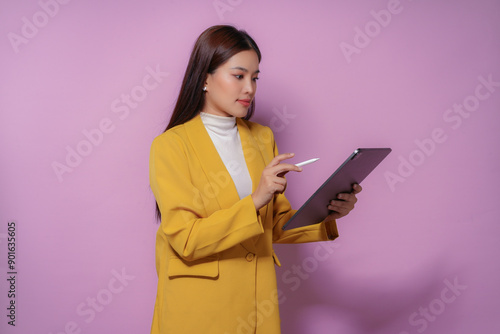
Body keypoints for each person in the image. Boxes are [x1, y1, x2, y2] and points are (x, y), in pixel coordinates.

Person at [149, 25, 362, 334]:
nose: (249, 88)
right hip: (196, 311)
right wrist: (256, 199)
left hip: (256, 305)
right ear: (205, 78)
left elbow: (275, 226)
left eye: (255, 77)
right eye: (239, 76)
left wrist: (329, 211)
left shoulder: (262, 138)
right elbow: (186, 240)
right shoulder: (170, 145)